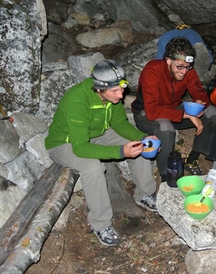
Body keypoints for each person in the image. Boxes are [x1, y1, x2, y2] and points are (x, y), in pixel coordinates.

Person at [45, 60, 158, 246]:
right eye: (114, 91)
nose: (120, 95)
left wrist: (143, 136)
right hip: (64, 143)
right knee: (92, 167)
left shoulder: (112, 97)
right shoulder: (77, 100)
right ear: (98, 89)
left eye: (121, 88)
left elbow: (120, 124)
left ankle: (144, 194)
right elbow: (80, 147)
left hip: (96, 135)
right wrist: (121, 151)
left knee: (139, 144)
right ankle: (100, 223)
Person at [132, 37, 216, 181]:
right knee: (165, 127)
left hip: (173, 109)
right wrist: (187, 115)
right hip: (146, 113)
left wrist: (199, 102)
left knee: (211, 112)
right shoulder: (152, 70)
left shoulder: (187, 70)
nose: (184, 71)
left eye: (187, 67)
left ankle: (193, 158)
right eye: (180, 66)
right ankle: (166, 176)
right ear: (168, 60)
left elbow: (200, 92)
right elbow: (152, 110)